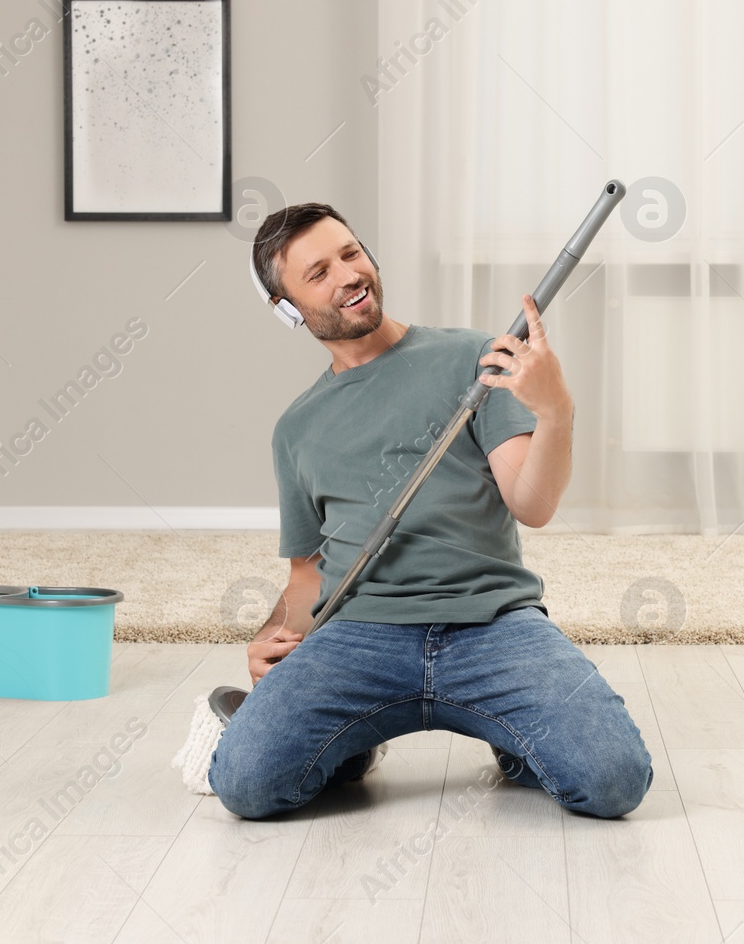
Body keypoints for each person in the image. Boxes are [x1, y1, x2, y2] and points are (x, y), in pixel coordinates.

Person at [207, 202, 652, 819]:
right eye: (318, 273)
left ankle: (511, 737)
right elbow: (306, 576)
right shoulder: (296, 429)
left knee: (613, 782)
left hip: (493, 626)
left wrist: (556, 413)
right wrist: (268, 639)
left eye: (350, 253)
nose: (347, 275)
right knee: (248, 787)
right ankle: (350, 747)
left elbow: (534, 504)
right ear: (289, 310)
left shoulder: (476, 360)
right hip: (358, 639)